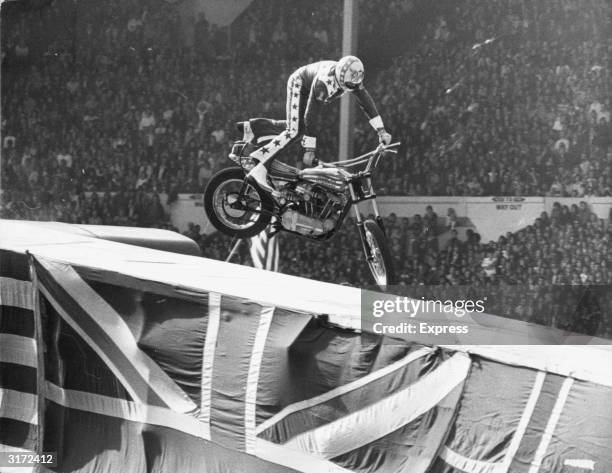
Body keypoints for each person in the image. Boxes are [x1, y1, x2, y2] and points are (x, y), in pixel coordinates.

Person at [247, 55, 392, 192]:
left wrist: (381, 130)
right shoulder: (323, 84)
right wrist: (309, 149)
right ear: (342, 77)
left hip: (308, 86)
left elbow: (366, 102)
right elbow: (311, 116)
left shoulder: (351, 79)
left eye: (355, 83)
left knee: (298, 127)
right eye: (350, 83)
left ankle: (254, 127)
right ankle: (260, 165)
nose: (353, 87)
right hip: (300, 84)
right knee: (295, 130)